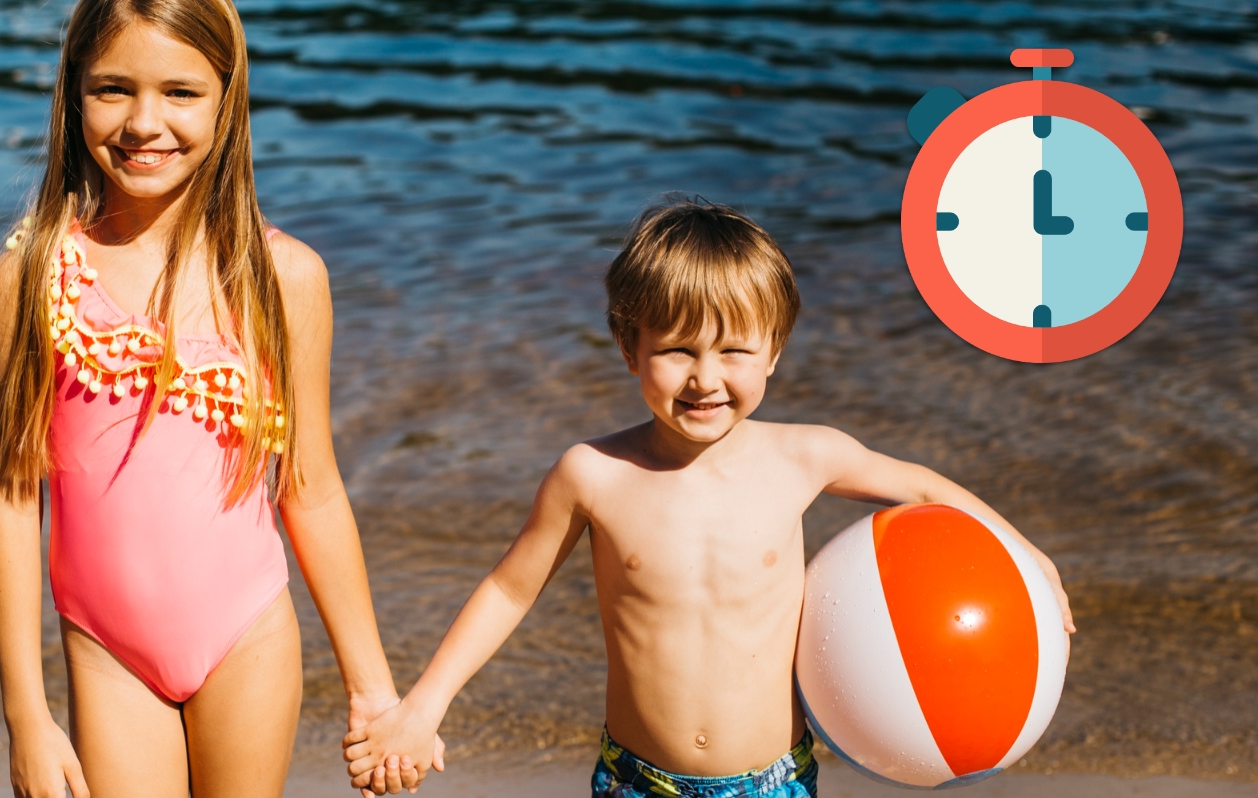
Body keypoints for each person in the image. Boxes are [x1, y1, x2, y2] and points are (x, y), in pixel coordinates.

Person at [342, 197, 1075, 797]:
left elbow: (920, 488)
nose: (705, 378)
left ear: (774, 353)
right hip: (637, 781)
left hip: (773, 781)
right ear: (630, 348)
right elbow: (508, 590)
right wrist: (422, 708)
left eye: (733, 351)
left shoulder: (804, 455)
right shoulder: (592, 474)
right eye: (676, 351)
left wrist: (1026, 556)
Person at [0, 2, 436, 796]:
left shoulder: (282, 278)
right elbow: (13, 498)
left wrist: (372, 690)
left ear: (228, 98)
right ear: (72, 92)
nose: (143, 122)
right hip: (106, 650)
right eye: (112, 89)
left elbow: (312, 487)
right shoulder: (30, 277)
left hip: (247, 636)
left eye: (181, 93)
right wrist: (27, 713)